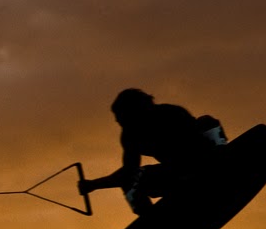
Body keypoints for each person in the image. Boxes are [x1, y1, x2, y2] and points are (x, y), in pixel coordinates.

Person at [79, 88, 227, 214]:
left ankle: (225, 161)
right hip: (174, 175)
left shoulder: (171, 113)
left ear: (134, 112)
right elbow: (129, 172)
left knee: (206, 122)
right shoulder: (130, 136)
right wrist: (94, 185)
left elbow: (195, 139)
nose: (117, 122)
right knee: (130, 183)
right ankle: (153, 224)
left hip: (202, 160)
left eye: (120, 117)